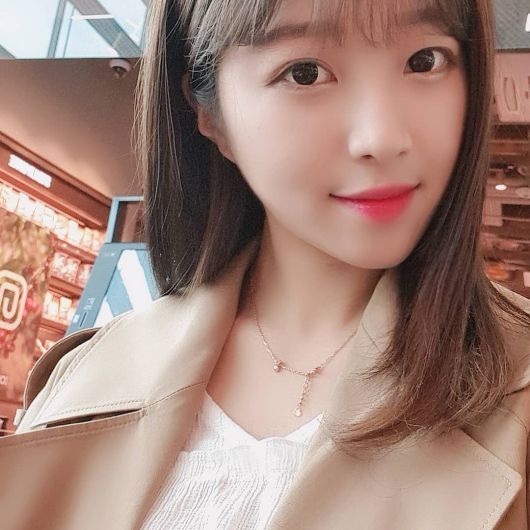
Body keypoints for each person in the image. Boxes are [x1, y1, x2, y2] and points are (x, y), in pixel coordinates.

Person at [2, 0, 530, 528]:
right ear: (209, 113)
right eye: (305, 73)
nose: (383, 138)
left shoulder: (516, 392)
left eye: (425, 61)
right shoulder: (88, 375)